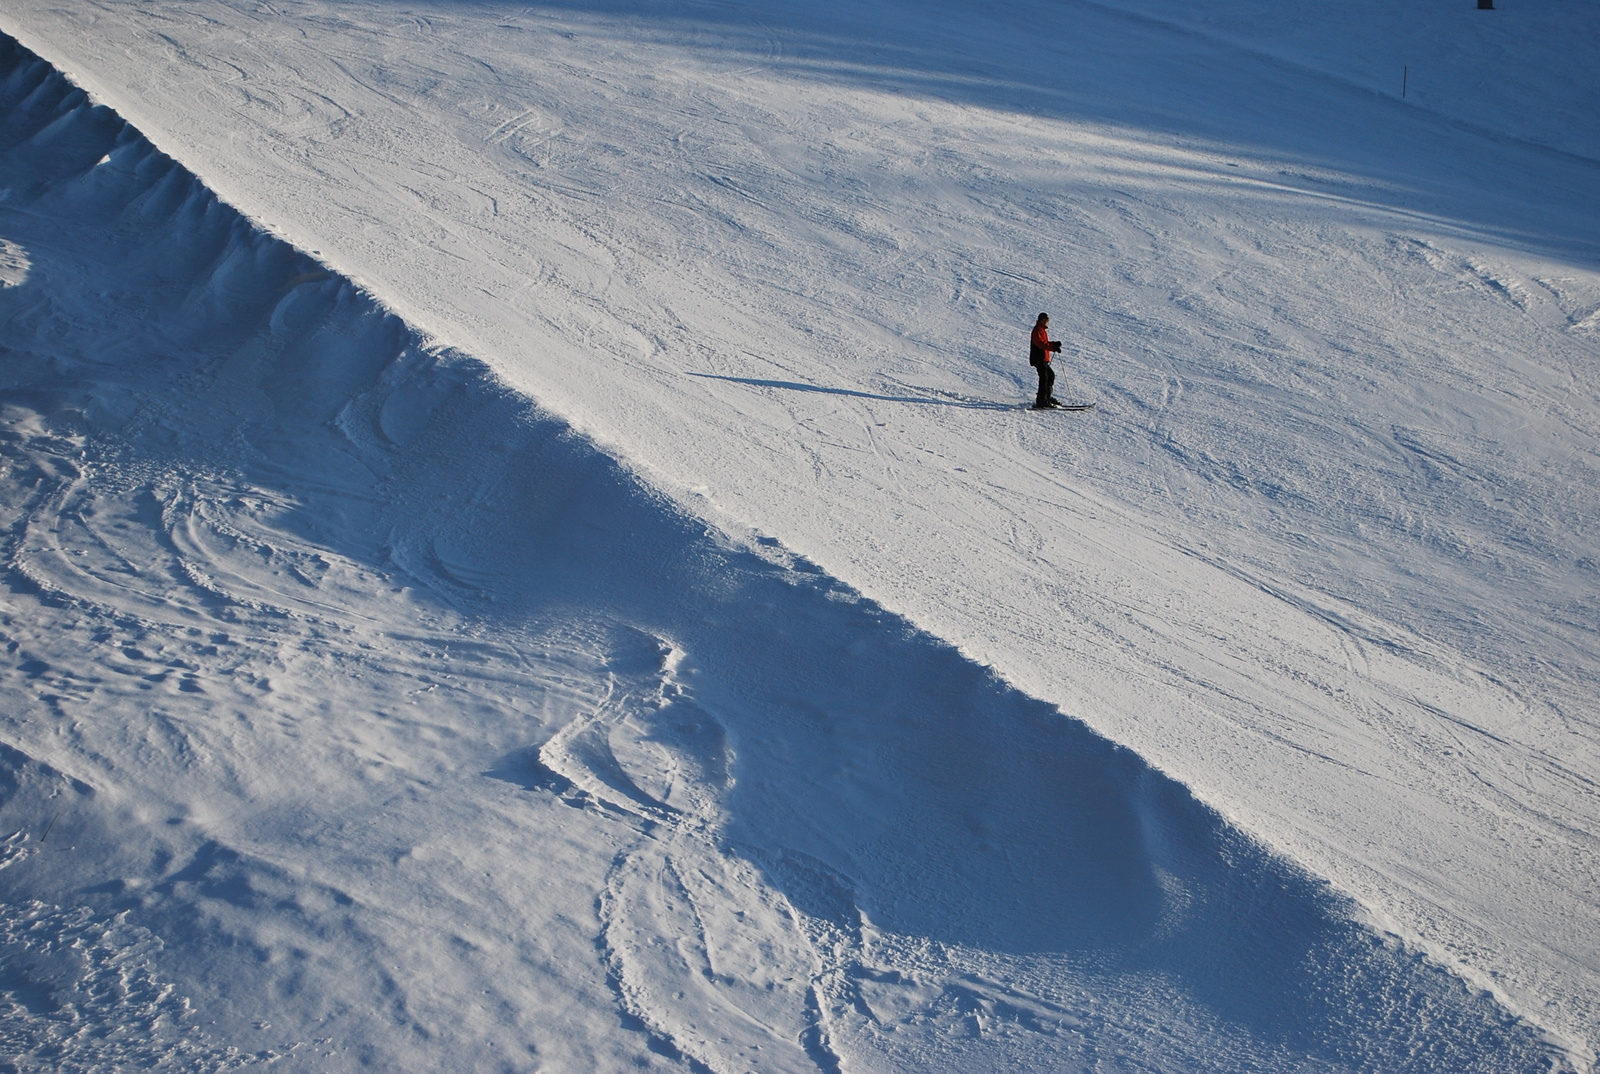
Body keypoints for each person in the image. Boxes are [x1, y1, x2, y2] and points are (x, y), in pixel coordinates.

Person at [1029, 313, 1063, 409]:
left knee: (1050, 375)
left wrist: (1054, 344)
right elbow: (1040, 344)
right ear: (1041, 320)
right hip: (1038, 358)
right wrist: (1053, 348)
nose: (1047, 321)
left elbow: (1045, 343)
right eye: (1045, 320)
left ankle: (1046, 397)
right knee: (1044, 378)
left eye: (1047, 320)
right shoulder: (1037, 330)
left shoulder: (1042, 330)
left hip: (1043, 358)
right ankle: (1041, 401)